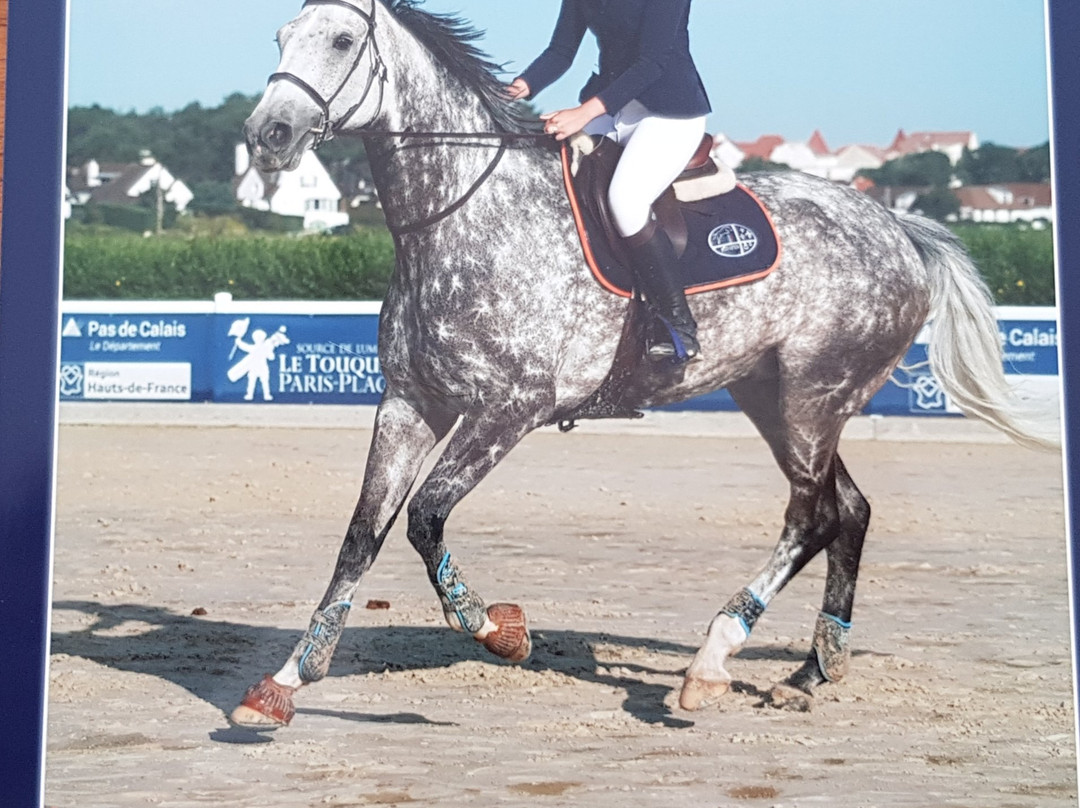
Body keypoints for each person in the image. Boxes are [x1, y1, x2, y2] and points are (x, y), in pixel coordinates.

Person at [508, 0, 711, 362]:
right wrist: (520, 87)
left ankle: (679, 323)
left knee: (625, 201)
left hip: (669, 114)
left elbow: (653, 62)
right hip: (614, 110)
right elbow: (560, 51)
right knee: (551, 180)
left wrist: (582, 114)